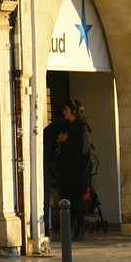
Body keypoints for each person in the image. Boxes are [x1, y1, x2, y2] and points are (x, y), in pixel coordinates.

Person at [51, 100, 94, 241]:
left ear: (74, 112)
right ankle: (68, 228)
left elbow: (82, 149)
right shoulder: (67, 126)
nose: (64, 112)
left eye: (67, 110)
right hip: (66, 170)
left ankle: (80, 229)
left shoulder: (81, 127)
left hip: (77, 171)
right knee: (66, 199)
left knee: (77, 200)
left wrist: (67, 140)